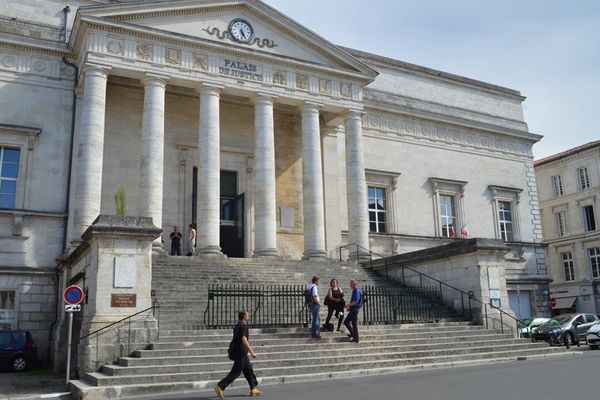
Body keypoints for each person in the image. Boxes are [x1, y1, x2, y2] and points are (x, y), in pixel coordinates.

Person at [214, 310, 262, 399]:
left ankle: (253, 388)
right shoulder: (243, 326)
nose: (249, 316)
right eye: (247, 315)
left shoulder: (237, 326)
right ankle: (220, 386)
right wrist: (252, 352)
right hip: (241, 353)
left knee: (248, 370)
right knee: (236, 372)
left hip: (241, 353)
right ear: (244, 316)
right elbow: (244, 340)